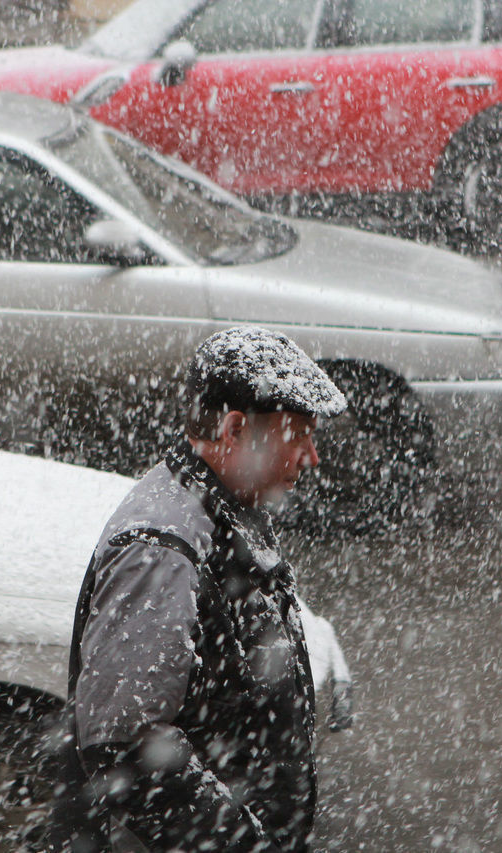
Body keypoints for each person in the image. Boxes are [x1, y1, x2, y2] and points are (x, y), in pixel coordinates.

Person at [67, 326, 347, 853]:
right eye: (298, 434)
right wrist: (245, 841)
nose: (312, 456)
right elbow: (127, 746)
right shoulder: (162, 549)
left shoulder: (222, 502)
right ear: (235, 428)